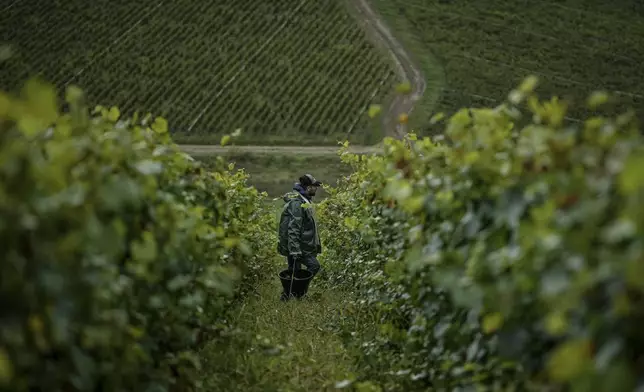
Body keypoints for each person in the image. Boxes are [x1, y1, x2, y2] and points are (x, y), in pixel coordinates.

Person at [277, 174, 322, 299]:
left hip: (296, 244)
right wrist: (295, 249)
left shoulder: (304, 200)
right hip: (298, 245)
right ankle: (299, 292)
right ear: (308, 187)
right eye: (314, 186)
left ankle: (288, 296)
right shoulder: (297, 203)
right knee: (314, 266)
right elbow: (293, 228)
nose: (316, 189)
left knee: (294, 272)